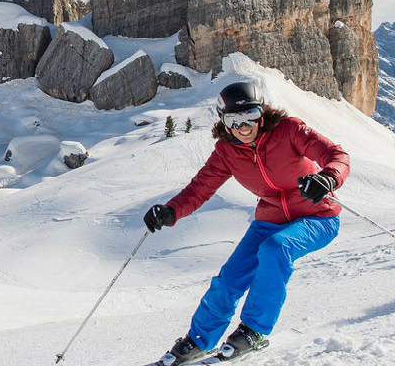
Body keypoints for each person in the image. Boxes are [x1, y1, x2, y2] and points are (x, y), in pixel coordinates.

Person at [143, 81, 349, 365]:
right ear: (223, 121)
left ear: (262, 114)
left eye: (250, 116)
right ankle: (199, 340)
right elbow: (199, 189)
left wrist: (327, 177)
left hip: (318, 216)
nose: (243, 126)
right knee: (230, 278)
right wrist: (171, 211)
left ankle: (253, 331)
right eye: (234, 119)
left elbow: (336, 155)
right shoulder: (227, 151)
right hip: (270, 220)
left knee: (276, 249)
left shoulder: (289, 129)